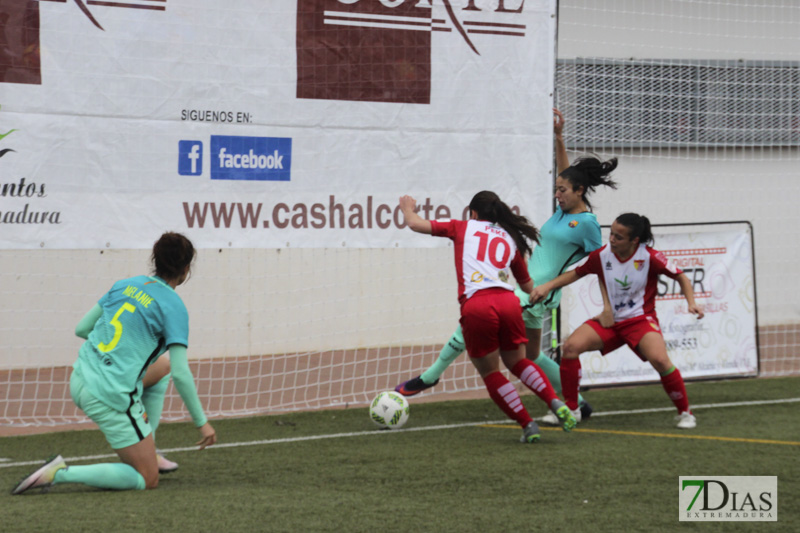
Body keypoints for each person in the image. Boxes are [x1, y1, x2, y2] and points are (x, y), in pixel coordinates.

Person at [396, 109, 619, 426]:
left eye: (562, 191)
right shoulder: (565, 208)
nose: (556, 195)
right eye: (556, 189)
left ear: (579, 192)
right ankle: (577, 404)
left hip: (537, 292)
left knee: (472, 322)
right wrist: (558, 137)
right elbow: (568, 173)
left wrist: (599, 303)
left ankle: (431, 375)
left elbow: (600, 266)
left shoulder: (587, 224)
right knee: (532, 357)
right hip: (531, 288)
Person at [12, 232, 217, 495]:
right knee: (147, 478)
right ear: (186, 270)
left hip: (81, 377)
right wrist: (202, 423)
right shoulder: (174, 306)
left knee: (161, 368)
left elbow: (82, 328)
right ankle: (60, 474)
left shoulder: (125, 284)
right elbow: (182, 372)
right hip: (109, 395)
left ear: (155, 260)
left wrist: (115, 355)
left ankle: (148, 447)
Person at [399, 191, 576, 443]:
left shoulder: (461, 227)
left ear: (473, 213)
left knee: (491, 372)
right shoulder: (508, 238)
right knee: (519, 362)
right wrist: (540, 294)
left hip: (478, 305)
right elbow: (527, 286)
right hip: (509, 303)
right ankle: (555, 402)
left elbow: (416, 223)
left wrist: (407, 208)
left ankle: (528, 425)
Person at [530, 213, 704, 428]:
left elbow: (681, 276)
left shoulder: (650, 256)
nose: (611, 239)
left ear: (634, 241)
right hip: (610, 322)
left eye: (619, 237)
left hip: (640, 321)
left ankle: (685, 413)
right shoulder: (602, 255)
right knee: (571, 347)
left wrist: (691, 302)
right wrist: (547, 286)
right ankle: (572, 409)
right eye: (611, 233)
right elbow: (576, 273)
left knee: (660, 361)